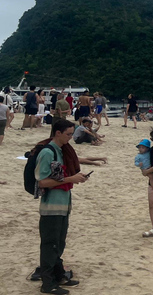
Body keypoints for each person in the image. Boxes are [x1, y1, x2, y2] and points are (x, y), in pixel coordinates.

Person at [35, 120, 89, 294]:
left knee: (58, 243)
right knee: (50, 244)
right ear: (57, 133)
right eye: (68, 134)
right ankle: (48, 283)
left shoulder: (61, 151)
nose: (71, 137)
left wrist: (75, 177)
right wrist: (70, 179)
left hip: (63, 205)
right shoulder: (47, 152)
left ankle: (58, 275)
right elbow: (42, 181)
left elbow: (60, 177)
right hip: (51, 206)